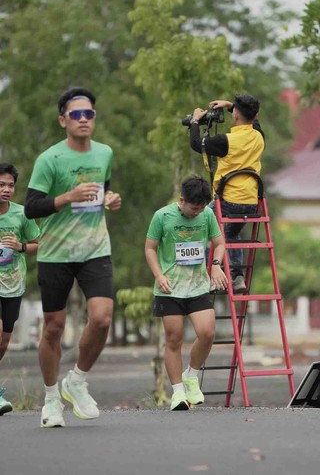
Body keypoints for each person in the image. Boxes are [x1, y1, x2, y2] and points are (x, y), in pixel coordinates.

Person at [24, 87, 122, 428]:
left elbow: (103, 190)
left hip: (95, 248)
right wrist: (68, 196)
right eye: (76, 114)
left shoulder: (105, 153)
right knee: (54, 327)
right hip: (56, 252)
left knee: (102, 318)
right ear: (62, 120)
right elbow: (32, 207)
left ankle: (77, 381)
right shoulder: (49, 159)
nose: (83, 119)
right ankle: (52, 398)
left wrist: (109, 199)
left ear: (94, 118)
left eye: (88, 114)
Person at [145, 175, 227, 411]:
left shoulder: (207, 215)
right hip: (169, 288)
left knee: (207, 333)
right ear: (182, 200)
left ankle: (191, 375)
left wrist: (216, 265)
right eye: (194, 208)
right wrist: (159, 275)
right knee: (174, 339)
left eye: (201, 208)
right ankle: (178, 393)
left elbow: (219, 243)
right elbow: (150, 249)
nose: (197, 212)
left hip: (197, 286)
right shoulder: (162, 216)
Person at [189, 94, 264, 293]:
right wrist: (231, 105)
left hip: (228, 202)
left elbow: (197, 143)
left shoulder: (226, 141)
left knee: (202, 225)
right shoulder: (258, 136)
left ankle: (209, 276)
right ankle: (237, 276)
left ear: (236, 115)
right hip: (251, 203)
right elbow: (254, 121)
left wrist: (195, 120)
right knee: (230, 233)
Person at [0, 163, 40, 415]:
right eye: (1, 185)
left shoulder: (21, 214)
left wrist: (20, 246)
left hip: (13, 284)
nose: (6, 189)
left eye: (10, 185)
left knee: (4, 341)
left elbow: (38, 243)